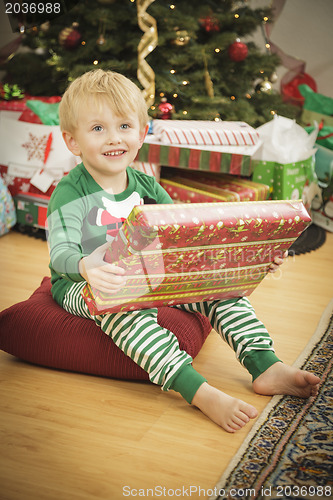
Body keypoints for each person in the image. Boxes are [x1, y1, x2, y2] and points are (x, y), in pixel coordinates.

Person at [47, 69, 320, 433]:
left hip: (150, 273)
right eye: (98, 129)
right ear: (73, 141)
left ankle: (265, 365)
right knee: (126, 309)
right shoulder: (70, 191)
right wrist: (84, 266)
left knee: (223, 291)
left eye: (124, 126)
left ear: (143, 133)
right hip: (86, 284)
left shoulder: (146, 185)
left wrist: (249, 259)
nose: (114, 138)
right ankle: (199, 391)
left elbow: (186, 233)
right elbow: (59, 253)